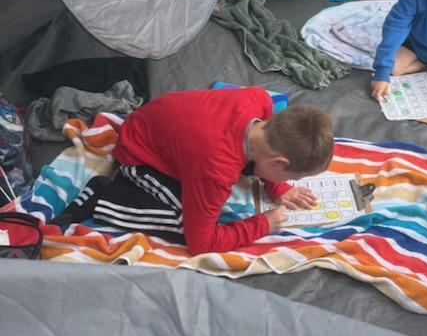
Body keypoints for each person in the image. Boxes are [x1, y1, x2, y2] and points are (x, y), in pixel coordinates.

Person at [56, 88, 334, 255]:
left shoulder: (258, 100)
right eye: (291, 177)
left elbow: (264, 158)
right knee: (186, 226)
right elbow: (201, 244)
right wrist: (264, 224)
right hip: (138, 155)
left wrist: (279, 187)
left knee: (214, 197)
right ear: (280, 162)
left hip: (158, 127)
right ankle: (103, 196)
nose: (291, 183)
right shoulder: (216, 172)